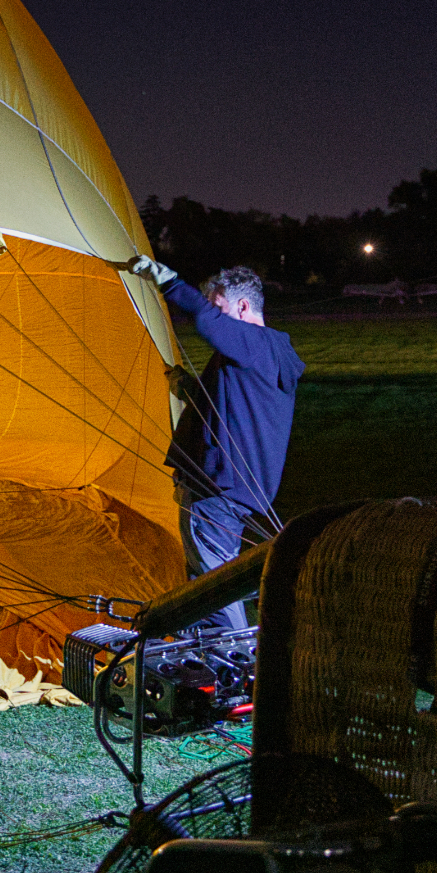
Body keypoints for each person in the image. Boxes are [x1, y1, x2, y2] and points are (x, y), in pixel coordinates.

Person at [128, 258, 304, 632]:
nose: (214, 315)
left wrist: (169, 282)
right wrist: (190, 388)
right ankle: (215, 662)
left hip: (217, 489)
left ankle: (240, 664)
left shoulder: (254, 342)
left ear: (242, 307)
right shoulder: (264, 353)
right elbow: (237, 408)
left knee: (213, 586)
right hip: (232, 490)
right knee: (209, 580)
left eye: (219, 306)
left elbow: (207, 323)